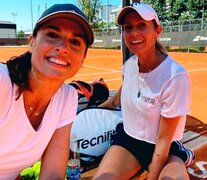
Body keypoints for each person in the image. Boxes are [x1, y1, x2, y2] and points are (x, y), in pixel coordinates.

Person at [94, 2, 194, 180]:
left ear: (157, 30)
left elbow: (163, 141)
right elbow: (119, 98)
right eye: (128, 27)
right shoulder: (130, 66)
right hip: (129, 142)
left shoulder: (175, 76)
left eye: (142, 25)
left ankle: (182, 154)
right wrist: (90, 111)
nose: (133, 33)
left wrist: (152, 176)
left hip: (165, 149)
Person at [0, 3, 93, 179]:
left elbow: (53, 174)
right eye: (52, 35)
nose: (63, 47)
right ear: (32, 42)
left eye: (75, 42)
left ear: (83, 58)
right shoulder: (2, 82)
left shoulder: (67, 97)